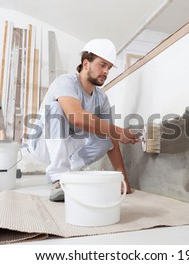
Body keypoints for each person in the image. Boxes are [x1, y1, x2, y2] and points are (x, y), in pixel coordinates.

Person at [26, 39, 139, 202]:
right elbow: (76, 117)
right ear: (86, 63)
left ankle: (71, 173)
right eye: (102, 65)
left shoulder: (102, 99)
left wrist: (123, 180)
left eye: (108, 68)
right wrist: (119, 131)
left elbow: (112, 138)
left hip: (68, 149)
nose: (106, 71)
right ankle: (59, 179)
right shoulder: (65, 82)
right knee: (56, 109)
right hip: (42, 144)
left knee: (107, 138)